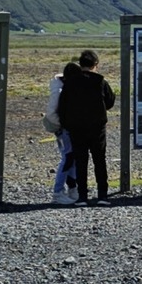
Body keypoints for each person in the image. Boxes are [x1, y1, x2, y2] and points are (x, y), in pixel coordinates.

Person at [57, 49, 116, 204]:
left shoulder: (70, 83)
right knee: (99, 160)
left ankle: (82, 196)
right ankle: (102, 195)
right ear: (95, 64)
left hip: (76, 128)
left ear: (80, 64)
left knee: (81, 162)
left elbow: (62, 106)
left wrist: (66, 124)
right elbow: (110, 101)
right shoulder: (101, 82)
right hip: (97, 128)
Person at [44, 61, 82, 205]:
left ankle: (72, 189)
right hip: (64, 129)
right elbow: (51, 112)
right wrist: (62, 126)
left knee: (71, 158)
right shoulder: (59, 91)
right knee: (68, 158)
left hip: (65, 128)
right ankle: (58, 192)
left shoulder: (62, 86)